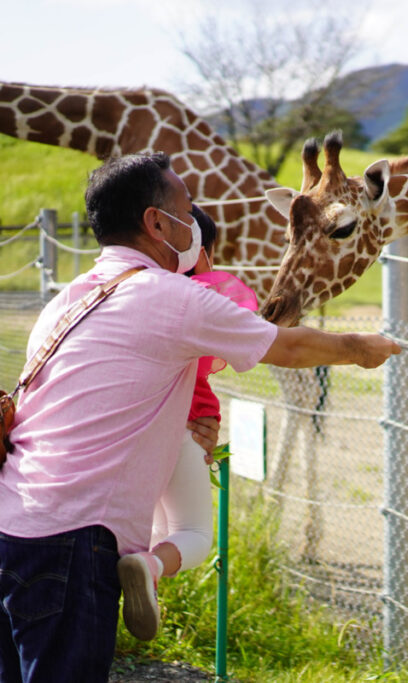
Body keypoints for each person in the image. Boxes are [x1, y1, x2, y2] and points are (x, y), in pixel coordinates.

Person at [0, 152, 401, 682]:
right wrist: (361, 346)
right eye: (187, 211)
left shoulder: (67, 299)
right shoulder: (173, 297)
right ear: (156, 222)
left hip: (11, 521)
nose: (194, 225)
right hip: (72, 540)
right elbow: (290, 347)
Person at [117, 205, 259, 642]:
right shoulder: (201, 304)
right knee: (193, 533)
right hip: (189, 427)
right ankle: (152, 568)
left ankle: (141, 571)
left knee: (154, 528)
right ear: (201, 252)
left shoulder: (126, 295)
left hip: (131, 426)